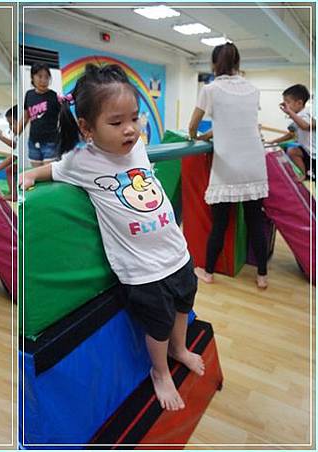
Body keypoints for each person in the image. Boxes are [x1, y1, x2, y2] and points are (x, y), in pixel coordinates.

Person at [20, 64, 204, 411]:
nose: (130, 129)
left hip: (177, 252)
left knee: (184, 305)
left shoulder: (138, 146)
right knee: (159, 325)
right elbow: (54, 169)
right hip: (143, 269)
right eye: (117, 122)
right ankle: (160, 371)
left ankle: (180, 349)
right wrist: (31, 175)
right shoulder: (82, 161)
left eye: (134, 118)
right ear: (87, 128)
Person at [189, 42, 269, 290]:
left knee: (220, 223)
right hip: (254, 162)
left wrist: (195, 137)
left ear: (214, 64)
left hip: (228, 164)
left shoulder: (210, 89)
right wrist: (210, 135)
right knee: (255, 221)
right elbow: (237, 123)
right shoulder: (253, 89)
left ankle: (208, 272)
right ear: (237, 63)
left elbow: (192, 125)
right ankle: (262, 276)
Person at [15, 63, 61, 167]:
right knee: (36, 172)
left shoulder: (54, 96)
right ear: (32, 77)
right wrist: (15, 134)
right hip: (33, 141)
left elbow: (63, 117)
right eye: (40, 76)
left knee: (47, 172)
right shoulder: (29, 95)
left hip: (51, 142)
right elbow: (26, 117)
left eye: (46, 77)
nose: (43, 80)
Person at [267, 84, 315, 181]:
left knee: (292, 150)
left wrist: (290, 112)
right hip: (306, 150)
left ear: (299, 103)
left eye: (288, 102)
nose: (286, 106)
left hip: (313, 151)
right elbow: (291, 134)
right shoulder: (296, 116)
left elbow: (305, 126)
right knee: (286, 148)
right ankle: (302, 173)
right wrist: (273, 142)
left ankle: (304, 174)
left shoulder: (305, 114)